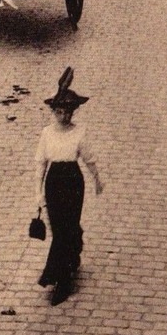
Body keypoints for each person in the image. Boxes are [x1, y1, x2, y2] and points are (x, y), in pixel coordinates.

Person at [35, 70, 103, 305]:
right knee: (59, 230)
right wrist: (38, 193)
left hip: (73, 181)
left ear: (73, 112)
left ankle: (61, 281)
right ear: (53, 112)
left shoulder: (79, 132)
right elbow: (41, 163)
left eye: (67, 112)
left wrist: (97, 180)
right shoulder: (46, 133)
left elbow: (89, 158)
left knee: (67, 227)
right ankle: (72, 254)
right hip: (54, 181)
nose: (63, 117)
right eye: (59, 112)